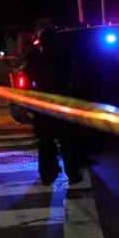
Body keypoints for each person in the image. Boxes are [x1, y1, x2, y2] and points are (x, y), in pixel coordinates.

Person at [26, 19, 83, 185]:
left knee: (46, 142)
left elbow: (29, 74)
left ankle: (47, 175)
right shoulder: (63, 54)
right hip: (61, 103)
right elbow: (74, 75)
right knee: (66, 141)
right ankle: (72, 173)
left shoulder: (36, 56)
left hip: (43, 104)